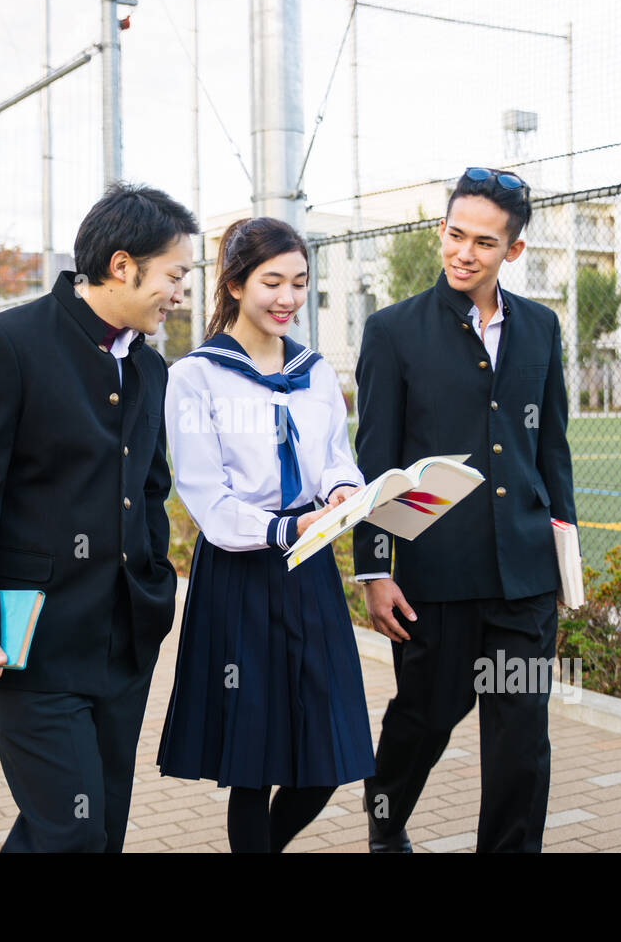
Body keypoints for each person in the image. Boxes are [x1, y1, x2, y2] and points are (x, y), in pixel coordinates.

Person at [0, 182, 198, 852]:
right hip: (31, 644)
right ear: (124, 265)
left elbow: (150, 486)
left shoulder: (150, 368)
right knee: (70, 830)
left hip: (125, 639)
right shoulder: (4, 346)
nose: (180, 293)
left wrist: (155, 584)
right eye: (175, 274)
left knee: (95, 826)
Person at [353, 167, 577, 853]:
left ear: (512, 250)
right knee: (425, 717)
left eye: (484, 241)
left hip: (524, 579)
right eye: (454, 234)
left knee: (520, 735)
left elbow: (553, 449)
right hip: (434, 577)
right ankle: (385, 823)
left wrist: (565, 560)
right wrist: (374, 570)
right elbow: (375, 461)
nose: (463, 252)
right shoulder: (393, 331)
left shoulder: (540, 327)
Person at [157, 216, 376, 853]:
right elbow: (205, 495)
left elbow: (336, 455)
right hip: (241, 571)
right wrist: (285, 524)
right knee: (251, 765)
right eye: (271, 282)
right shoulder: (193, 377)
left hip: (308, 570)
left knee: (331, 750)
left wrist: (340, 490)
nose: (287, 299)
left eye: (300, 283)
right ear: (233, 283)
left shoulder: (314, 371)